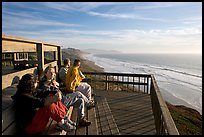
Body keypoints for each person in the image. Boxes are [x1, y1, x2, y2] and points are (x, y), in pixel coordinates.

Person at [11, 73, 76, 135]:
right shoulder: (23, 96)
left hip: (34, 120)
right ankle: (61, 122)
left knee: (50, 96)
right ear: (31, 84)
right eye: (36, 82)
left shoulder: (27, 90)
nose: (37, 83)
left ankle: (64, 118)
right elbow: (41, 102)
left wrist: (56, 92)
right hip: (30, 128)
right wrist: (53, 98)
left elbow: (43, 92)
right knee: (48, 104)